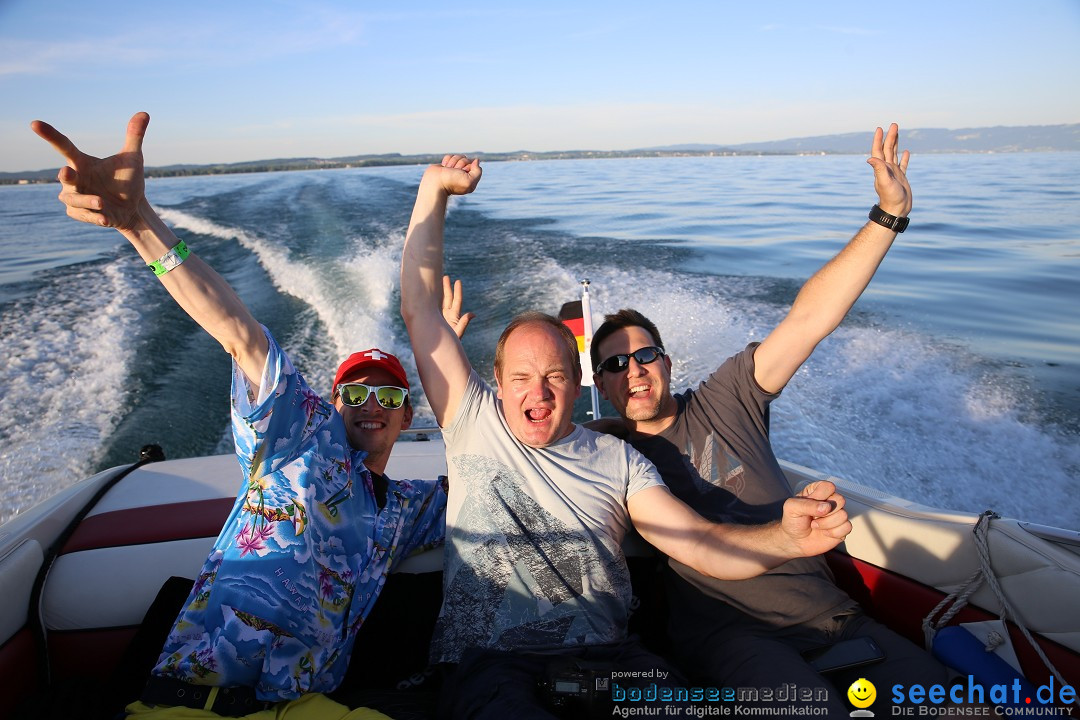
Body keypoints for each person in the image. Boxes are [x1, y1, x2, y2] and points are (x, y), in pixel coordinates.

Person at [398, 154, 854, 718]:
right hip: (495, 663)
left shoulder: (619, 459)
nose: (536, 394)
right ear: (496, 382)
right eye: (520, 378)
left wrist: (785, 540)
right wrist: (435, 190)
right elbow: (419, 310)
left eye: (554, 377)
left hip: (612, 661)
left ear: (577, 382)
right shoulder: (472, 421)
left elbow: (698, 542)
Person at [31, 112, 450, 719]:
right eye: (354, 392)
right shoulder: (300, 438)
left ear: (408, 416)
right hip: (195, 701)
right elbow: (239, 332)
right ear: (332, 406)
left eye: (388, 396)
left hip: (304, 705)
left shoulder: (411, 507)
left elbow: (494, 468)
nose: (370, 405)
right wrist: (140, 225)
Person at [588, 124, 949, 713]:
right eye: (616, 363)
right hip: (731, 636)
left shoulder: (728, 397)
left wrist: (888, 215)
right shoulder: (608, 451)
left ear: (667, 361)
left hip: (834, 618)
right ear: (600, 384)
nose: (634, 370)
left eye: (646, 354)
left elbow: (808, 320)